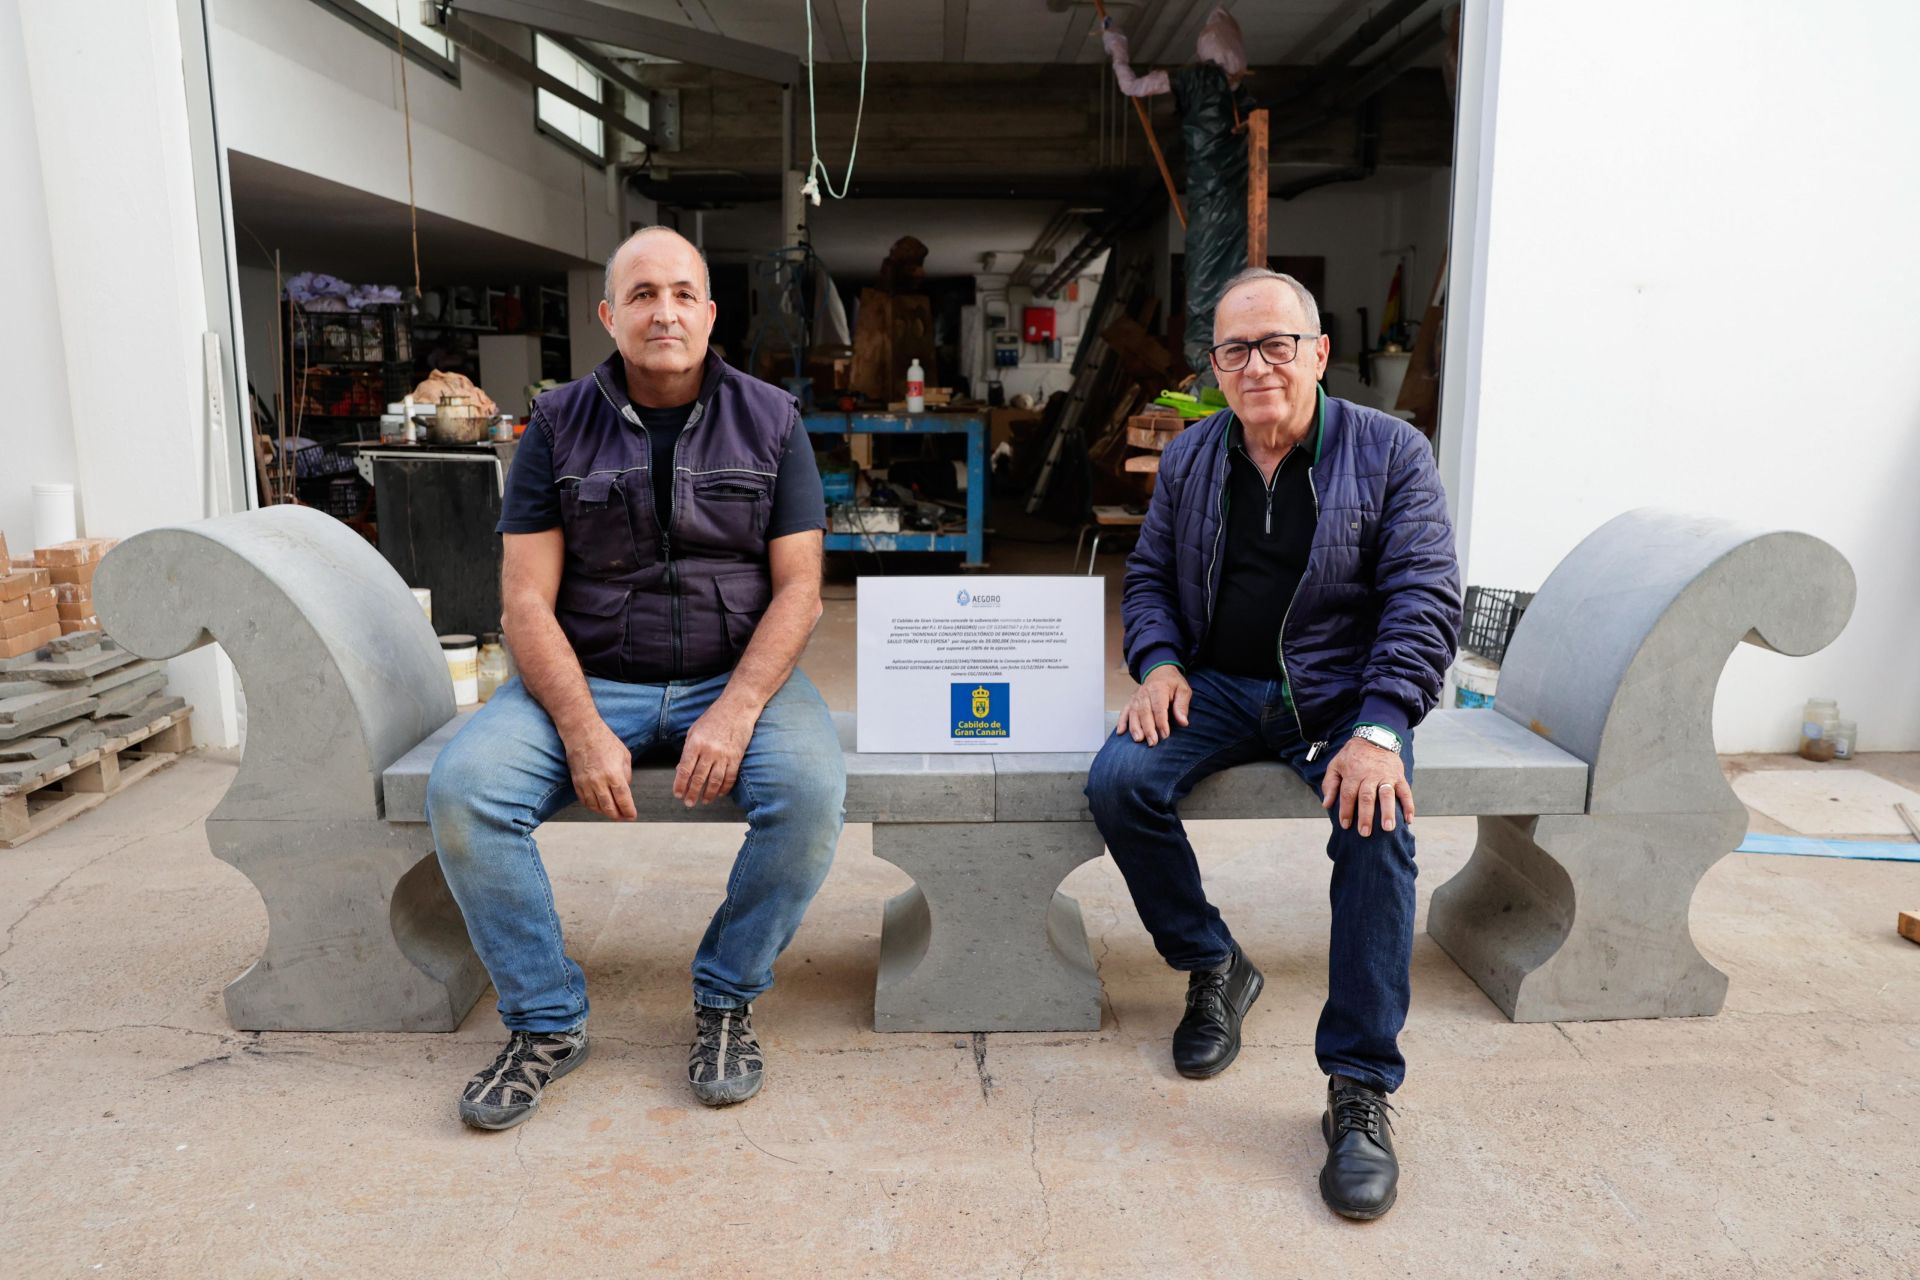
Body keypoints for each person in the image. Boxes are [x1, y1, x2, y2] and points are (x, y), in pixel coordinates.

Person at [426, 226, 844, 1131]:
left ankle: (726, 997)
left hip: (734, 674)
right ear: (610, 315)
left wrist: (736, 711)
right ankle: (545, 1021)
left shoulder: (772, 418)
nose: (666, 312)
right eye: (644, 294)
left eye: (683, 293)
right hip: (589, 673)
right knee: (465, 792)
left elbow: (801, 590)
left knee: (809, 795)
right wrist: (579, 726)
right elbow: (526, 603)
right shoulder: (556, 425)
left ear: (709, 313)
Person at [1085, 267, 1461, 1219]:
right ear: (1215, 366)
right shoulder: (1192, 457)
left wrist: (1381, 727)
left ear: (1319, 353)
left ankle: (1360, 1088)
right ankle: (1215, 964)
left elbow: (1424, 600)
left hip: (1342, 697)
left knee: (1377, 824)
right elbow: (1150, 583)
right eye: (1235, 350)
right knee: (1121, 779)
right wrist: (1160, 664)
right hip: (1214, 686)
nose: (1257, 366)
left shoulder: (1391, 453)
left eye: (1277, 345)